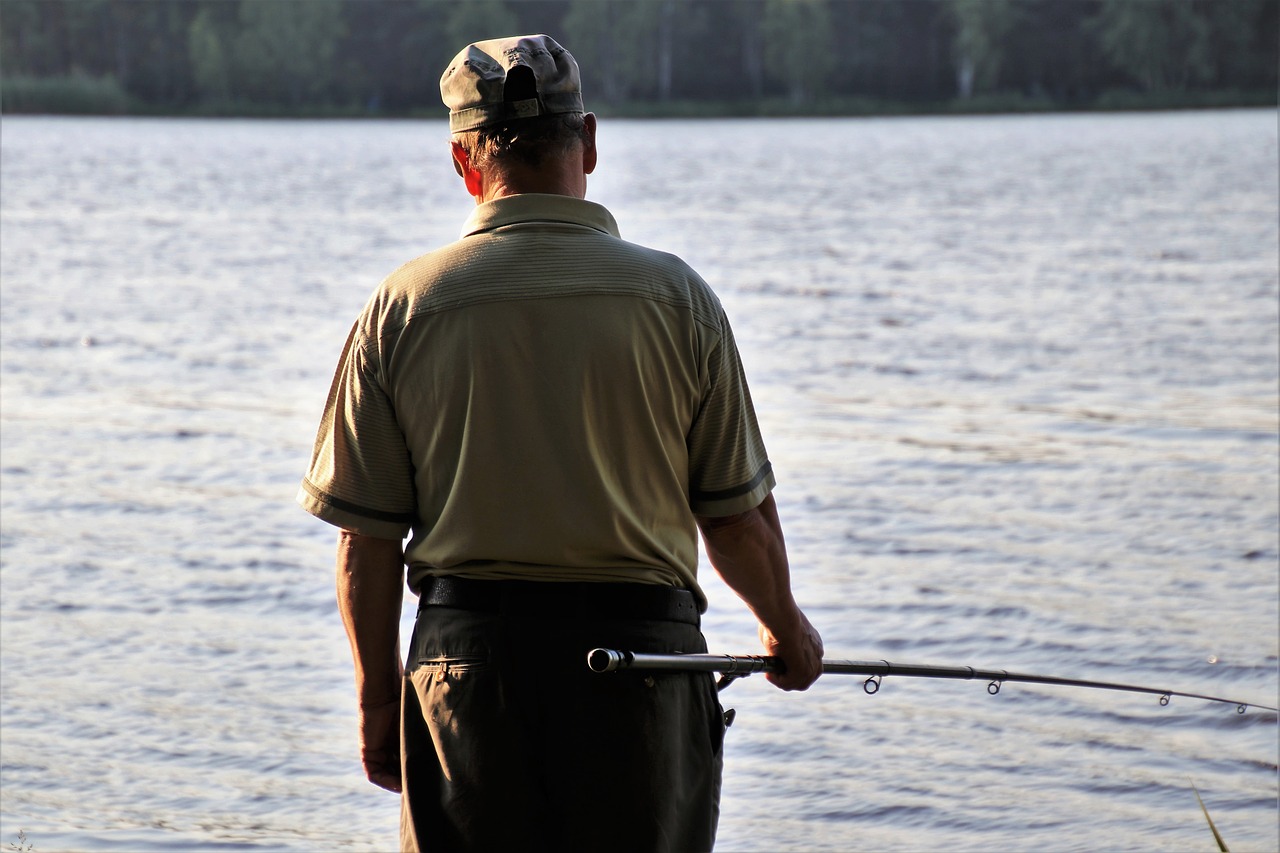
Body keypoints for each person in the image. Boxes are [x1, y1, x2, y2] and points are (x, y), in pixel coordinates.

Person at [297, 34, 823, 853]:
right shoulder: (679, 300)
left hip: (463, 676)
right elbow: (737, 523)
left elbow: (366, 544)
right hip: (642, 672)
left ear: (462, 161)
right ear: (588, 139)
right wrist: (786, 632)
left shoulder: (400, 308)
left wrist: (378, 707)